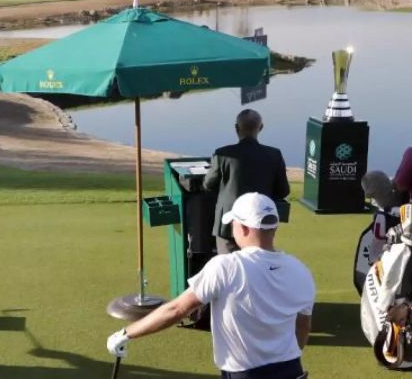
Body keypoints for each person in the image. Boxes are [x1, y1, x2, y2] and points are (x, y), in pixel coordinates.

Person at [107, 193, 316, 379]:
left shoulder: (227, 266)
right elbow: (302, 328)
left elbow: (177, 309)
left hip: (244, 374)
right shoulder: (301, 271)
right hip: (293, 370)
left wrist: (126, 333)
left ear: (242, 228)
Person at [203, 109, 289, 254]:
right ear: (260, 128)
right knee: (257, 269)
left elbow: (208, 184)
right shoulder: (274, 155)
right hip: (259, 225)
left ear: (237, 128)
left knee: (228, 270)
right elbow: (283, 191)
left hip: (228, 226)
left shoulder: (223, 154)